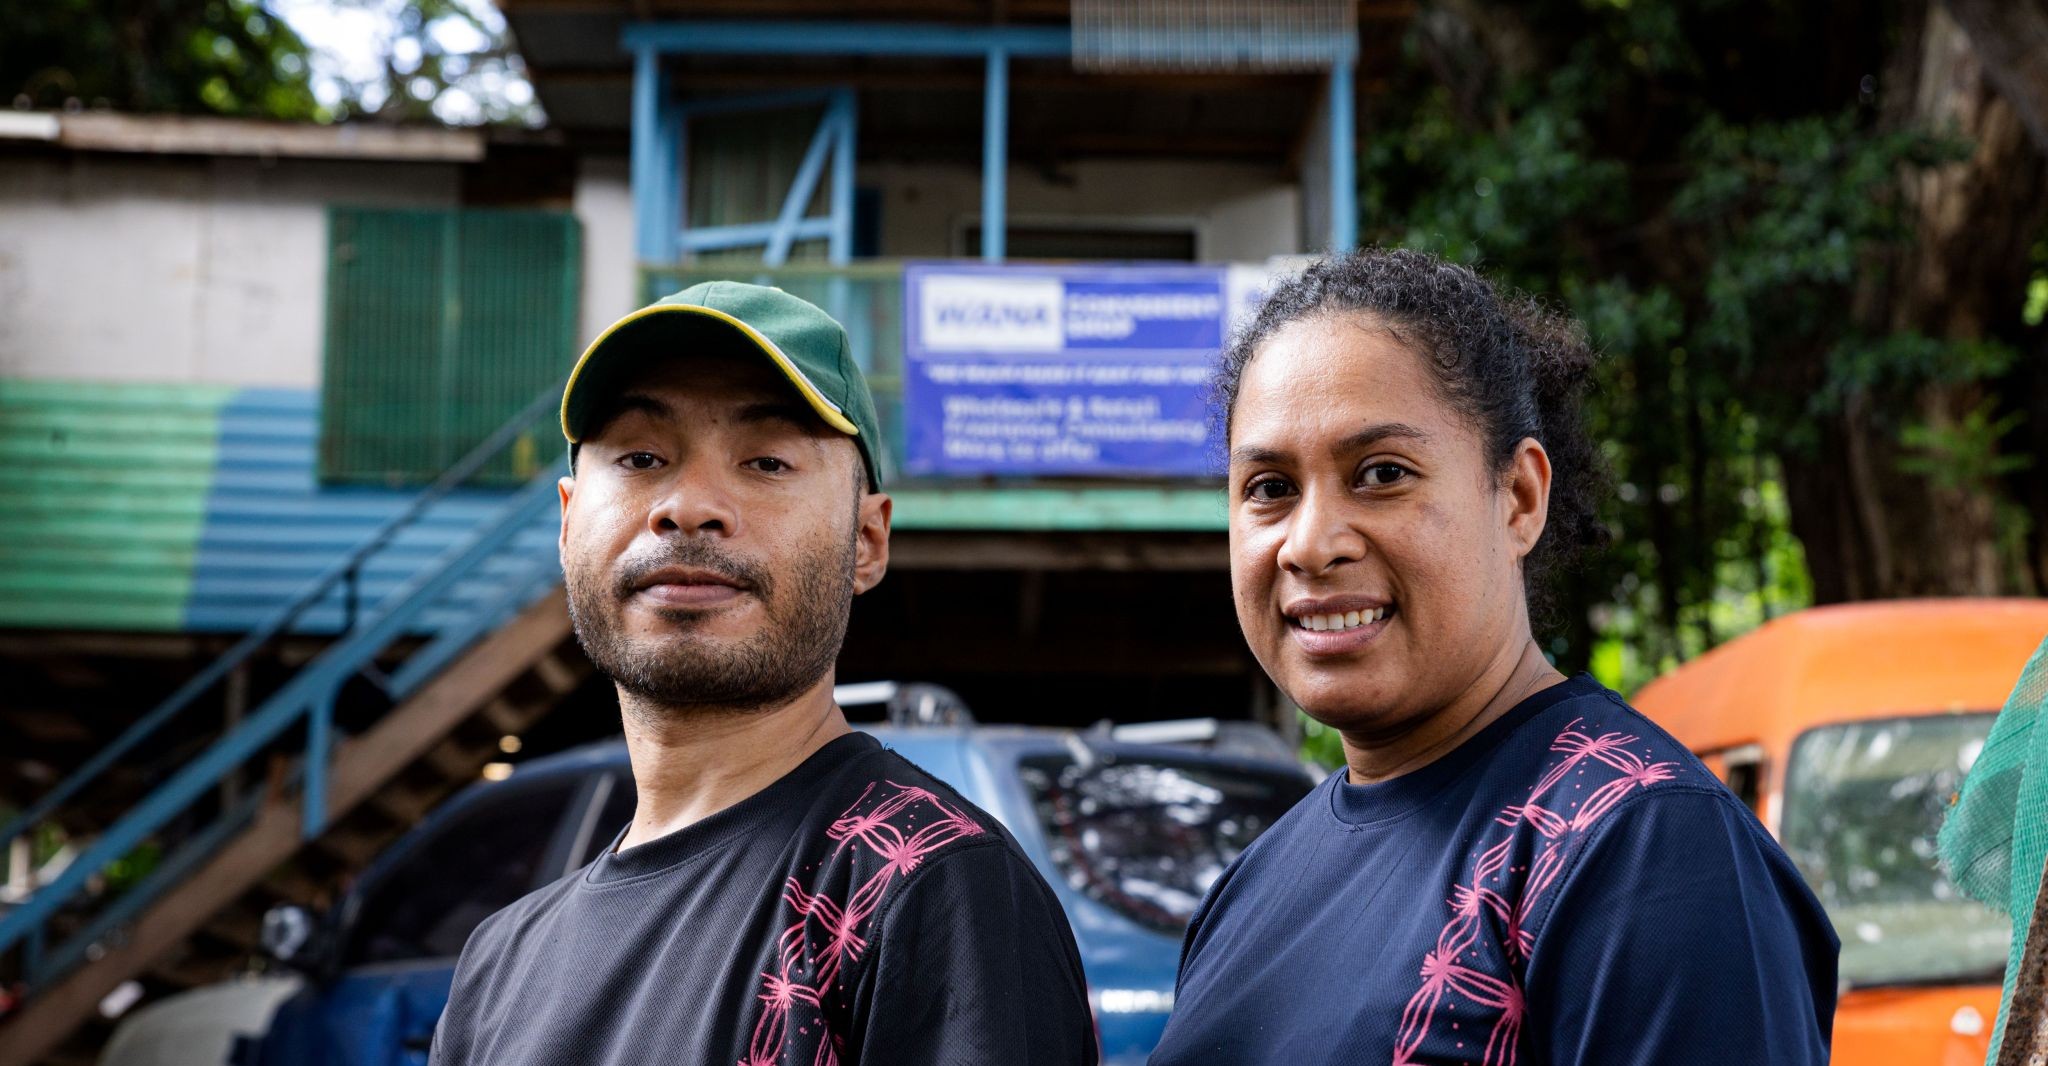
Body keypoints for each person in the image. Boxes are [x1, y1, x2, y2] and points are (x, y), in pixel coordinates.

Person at [1148, 250, 1838, 1065]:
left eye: (1381, 474)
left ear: (1519, 499)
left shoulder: (1640, 846)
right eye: (1268, 487)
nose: (1311, 544)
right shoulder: (1255, 884)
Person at [430, 282, 1097, 1066]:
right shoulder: (498, 967)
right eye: (641, 457)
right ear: (570, 520)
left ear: (866, 540)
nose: (688, 507)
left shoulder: (924, 886)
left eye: (766, 462)